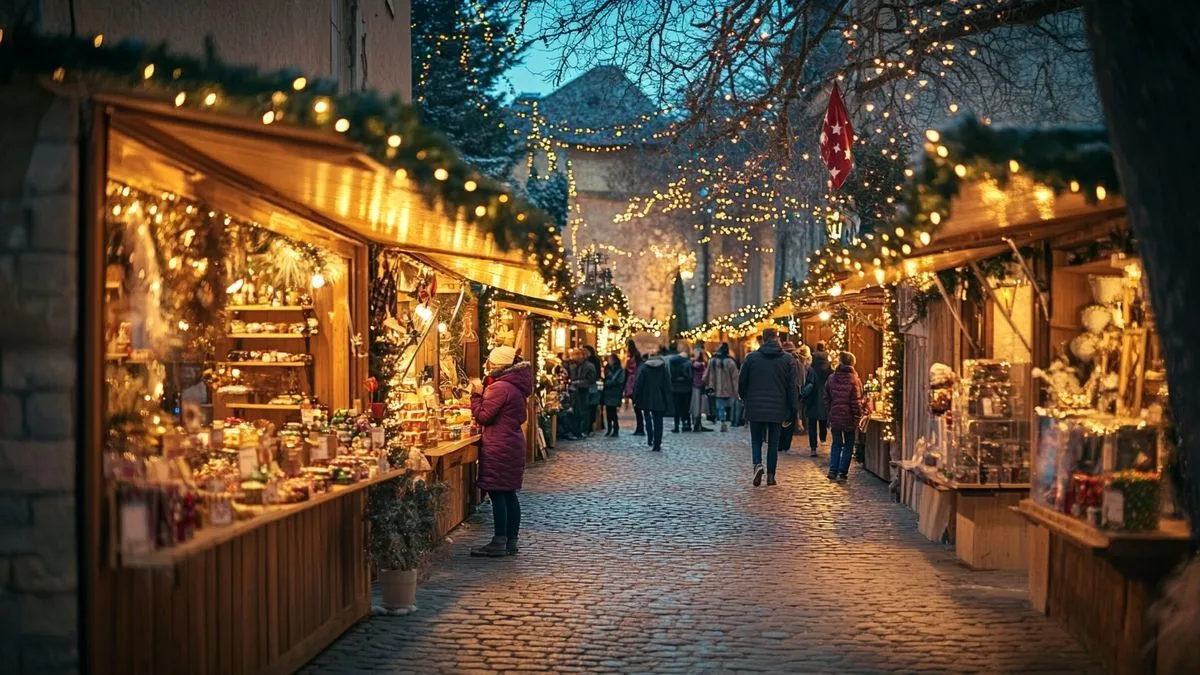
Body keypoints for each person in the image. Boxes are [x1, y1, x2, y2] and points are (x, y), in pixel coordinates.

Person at [469, 346, 533, 557]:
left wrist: (476, 396)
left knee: (498, 493)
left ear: (497, 365)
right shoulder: (514, 385)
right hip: (511, 442)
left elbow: (484, 416)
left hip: (500, 444)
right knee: (508, 494)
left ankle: (498, 542)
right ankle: (510, 541)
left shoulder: (500, 387)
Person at [737, 328, 798, 487]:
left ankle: (757, 464)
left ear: (763, 339)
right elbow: (792, 387)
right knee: (773, 442)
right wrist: (793, 409)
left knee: (756, 439)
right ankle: (771, 476)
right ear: (777, 338)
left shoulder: (751, 358)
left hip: (755, 406)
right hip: (778, 407)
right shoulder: (787, 359)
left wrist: (745, 398)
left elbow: (742, 382)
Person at [825, 351, 864, 482]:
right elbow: (856, 401)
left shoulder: (831, 378)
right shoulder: (854, 380)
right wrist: (858, 415)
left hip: (835, 415)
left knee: (836, 443)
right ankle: (842, 471)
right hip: (849, 417)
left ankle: (833, 469)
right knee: (848, 444)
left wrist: (829, 411)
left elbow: (826, 397)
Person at [633, 346, 674, 451]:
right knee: (658, 422)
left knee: (647, 419)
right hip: (659, 398)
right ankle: (657, 443)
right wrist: (668, 401)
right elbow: (667, 386)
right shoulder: (663, 369)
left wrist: (636, 399)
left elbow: (639, 385)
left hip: (646, 398)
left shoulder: (644, 369)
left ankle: (650, 438)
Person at [778, 341, 808, 453]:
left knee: (781, 418)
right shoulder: (799, 363)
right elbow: (802, 379)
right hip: (795, 393)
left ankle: (780, 443)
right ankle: (786, 444)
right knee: (791, 418)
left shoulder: (781, 362)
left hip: (782, 393)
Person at [703, 342, 740, 432]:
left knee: (719, 406)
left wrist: (706, 384)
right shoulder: (730, 362)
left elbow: (706, 375)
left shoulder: (712, 361)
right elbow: (735, 378)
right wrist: (737, 391)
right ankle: (728, 422)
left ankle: (721, 422)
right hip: (729, 389)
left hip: (715, 388)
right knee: (729, 406)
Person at [804, 341, 833, 456]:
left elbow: (808, 382)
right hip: (825, 397)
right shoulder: (829, 366)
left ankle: (813, 447)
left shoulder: (811, 367)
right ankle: (823, 437)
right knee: (823, 418)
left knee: (812, 423)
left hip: (813, 397)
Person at [664, 343, 694, 433]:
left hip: (675, 387)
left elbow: (670, 375)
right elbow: (690, 375)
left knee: (676, 408)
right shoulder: (687, 362)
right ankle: (686, 424)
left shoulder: (671, 362)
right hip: (686, 388)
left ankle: (676, 426)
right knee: (685, 407)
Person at [569, 349, 596, 440]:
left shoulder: (589, 366)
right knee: (576, 411)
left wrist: (577, 383)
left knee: (583, 411)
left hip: (584, 391)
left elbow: (591, 380)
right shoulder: (574, 365)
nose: (576, 357)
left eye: (578, 355)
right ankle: (577, 431)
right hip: (576, 391)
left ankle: (583, 430)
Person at [689, 345, 714, 432]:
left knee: (697, 406)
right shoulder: (700, 364)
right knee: (697, 406)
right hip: (698, 385)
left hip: (697, 385)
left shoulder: (697, 363)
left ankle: (697, 424)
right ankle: (697, 424)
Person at [602, 353, 626, 437]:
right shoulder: (607, 369)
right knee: (608, 412)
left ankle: (615, 429)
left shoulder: (619, 370)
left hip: (614, 392)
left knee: (613, 412)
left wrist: (609, 383)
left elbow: (620, 381)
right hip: (608, 392)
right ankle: (609, 429)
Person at [624, 340, 644, 435]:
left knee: (637, 407)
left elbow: (629, 369)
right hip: (632, 382)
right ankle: (640, 427)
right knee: (637, 407)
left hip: (633, 382)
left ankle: (640, 428)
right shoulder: (636, 357)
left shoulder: (633, 358)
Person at [583, 345, 603, 436]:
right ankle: (587, 428)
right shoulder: (584, 362)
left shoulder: (592, 362)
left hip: (591, 387)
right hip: (588, 387)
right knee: (588, 408)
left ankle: (589, 427)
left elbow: (596, 375)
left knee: (591, 408)